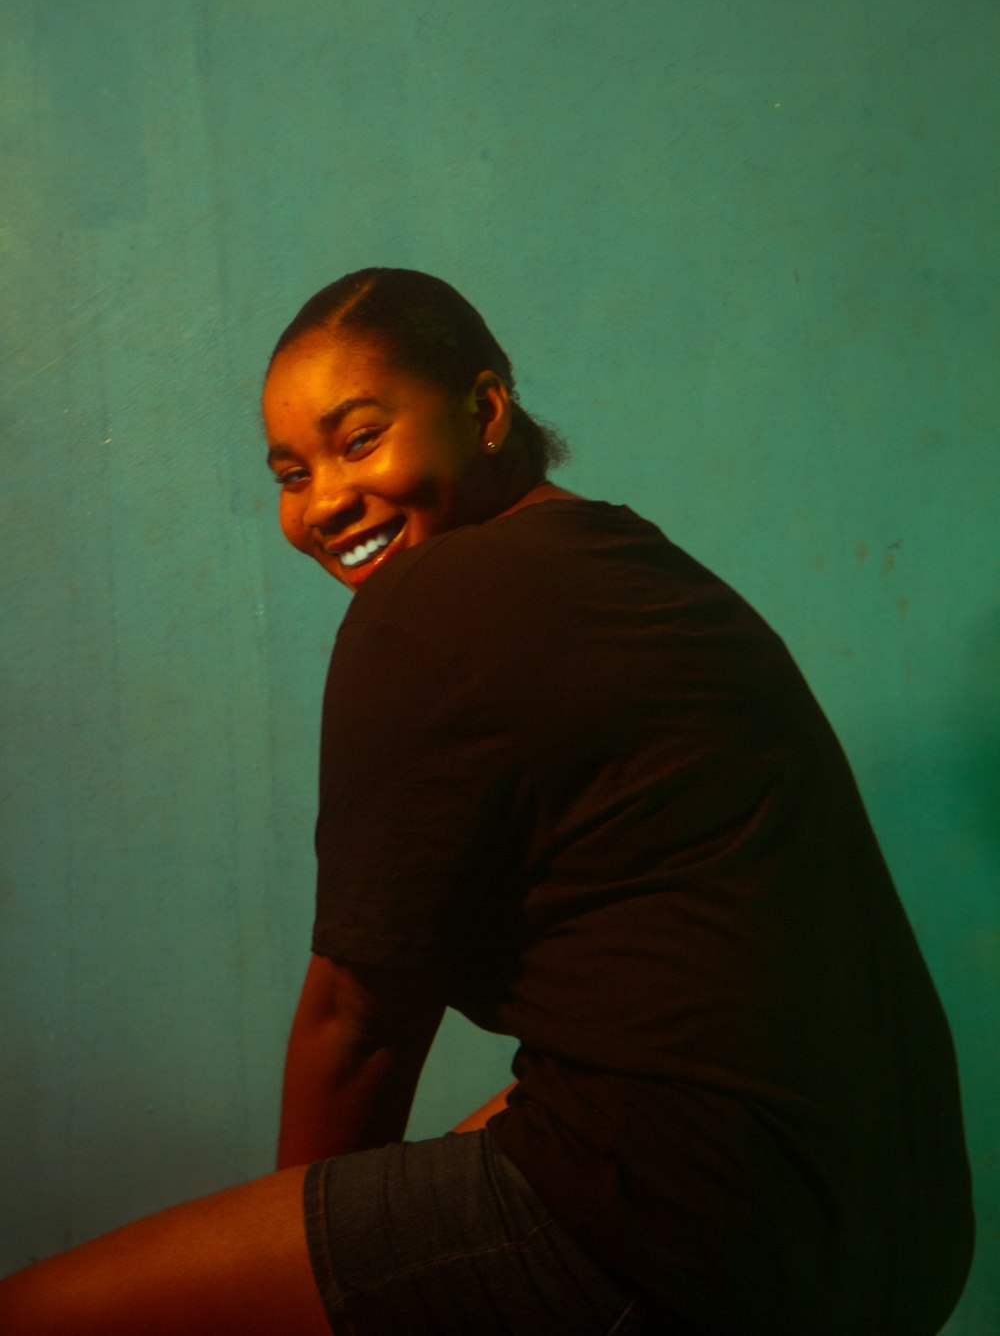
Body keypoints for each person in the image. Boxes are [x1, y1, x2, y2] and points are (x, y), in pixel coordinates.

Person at [0, 268, 974, 1335]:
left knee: (39, 1315)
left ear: (487, 409)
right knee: (483, 1148)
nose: (324, 501)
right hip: (891, 1236)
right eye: (290, 471)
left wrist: (313, 1287)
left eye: (359, 441)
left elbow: (357, 1021)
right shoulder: (639, 566)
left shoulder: (430, 605)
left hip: (689, 1234)